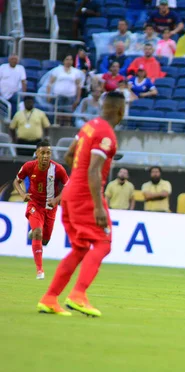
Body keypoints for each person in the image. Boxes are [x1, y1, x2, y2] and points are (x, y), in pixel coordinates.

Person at [37, 91, 126, 317]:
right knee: (103, 243)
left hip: (71, 192)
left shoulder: (90, 126)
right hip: (87, 195)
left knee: (80, 248)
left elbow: (69, 155)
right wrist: (98, 206)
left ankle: (49, 298)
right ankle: (78, 294)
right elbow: (94, 170)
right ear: (121, 110)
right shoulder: (107, 134)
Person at [13, 140, 69, 279]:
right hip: (34, 204)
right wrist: (22, 194)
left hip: (50, 207)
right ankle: (40, 270)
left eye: (48, 153)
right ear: (37, 153)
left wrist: (56, 200)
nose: (45, 156)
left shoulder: (58, 169)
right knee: (38, 232)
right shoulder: (29, 166)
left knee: (45, 240)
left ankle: (35, 232)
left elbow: (68, 187)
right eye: (42, 153)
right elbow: (17, 181)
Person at [46, 55, 83, 126]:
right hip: (58, 96)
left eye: (70, 60)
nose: (69, 61)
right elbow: (49, 84)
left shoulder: (76, 72)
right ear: (63, 61)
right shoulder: (57, 70)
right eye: (67, 59)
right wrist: (48, 95)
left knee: (68, 115)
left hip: (70, 97)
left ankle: (67, 129)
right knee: (58, 115)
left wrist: (77, 99)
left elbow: (79, 86)